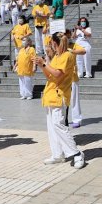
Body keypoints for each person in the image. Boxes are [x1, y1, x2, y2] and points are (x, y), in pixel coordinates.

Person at [33, 32, 86, 169]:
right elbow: (50, 75)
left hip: (59, 94)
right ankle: (58, 154)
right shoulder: (57, 56)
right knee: (52, 126)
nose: (51, 46)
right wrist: (41, 65)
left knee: (58, 124)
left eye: (52, 43)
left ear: (55, 43)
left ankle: (76, 153)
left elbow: (58, 74)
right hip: (50, 93)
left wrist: (45, 63)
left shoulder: (68, 55)